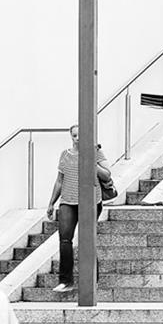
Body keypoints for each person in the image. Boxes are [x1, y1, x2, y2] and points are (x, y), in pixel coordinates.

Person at [44, 125, 111, 293]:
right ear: (71, 137)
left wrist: (90, 161)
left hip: (90, 200)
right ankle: (66, 281)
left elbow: (107, 175)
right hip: (68, 201)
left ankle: (92, 280)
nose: (77, 138)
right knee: (65, 239)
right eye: (74, 135)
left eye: (80, 135)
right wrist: (51, 203)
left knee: (87, 239)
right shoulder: (65, 155)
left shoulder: (96, 152)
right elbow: (60, 181)